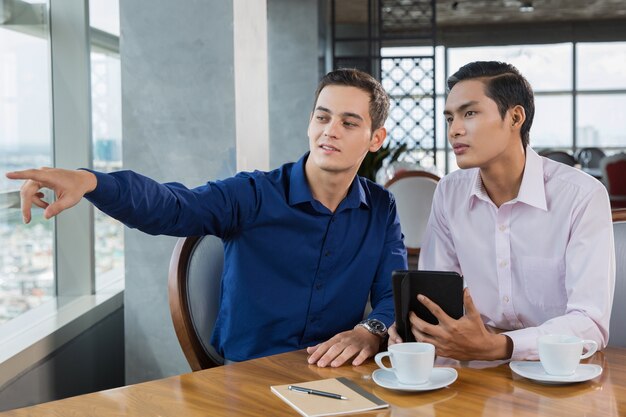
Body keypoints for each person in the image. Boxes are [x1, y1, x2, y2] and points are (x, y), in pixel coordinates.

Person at [6, 68, 407, 367]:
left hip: (336, 378)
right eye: (322, 117)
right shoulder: (252, 194)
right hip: (249, 377)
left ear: (375, 139)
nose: (329, 131)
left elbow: (392, 292)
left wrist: (369, 332)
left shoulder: (381, 208)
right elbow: (171, 206)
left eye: (348, 122)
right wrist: (90, 180)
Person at [388, 61, 615, 361]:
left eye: (469, 113)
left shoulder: (581, 196)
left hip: (561, 373)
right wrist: (417, 327)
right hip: (474, 371)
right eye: (449, 118)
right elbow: (435, 298)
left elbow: (590, 323)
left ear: (515, 117)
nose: (454, 130)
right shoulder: (448, 192)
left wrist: (500, 346)